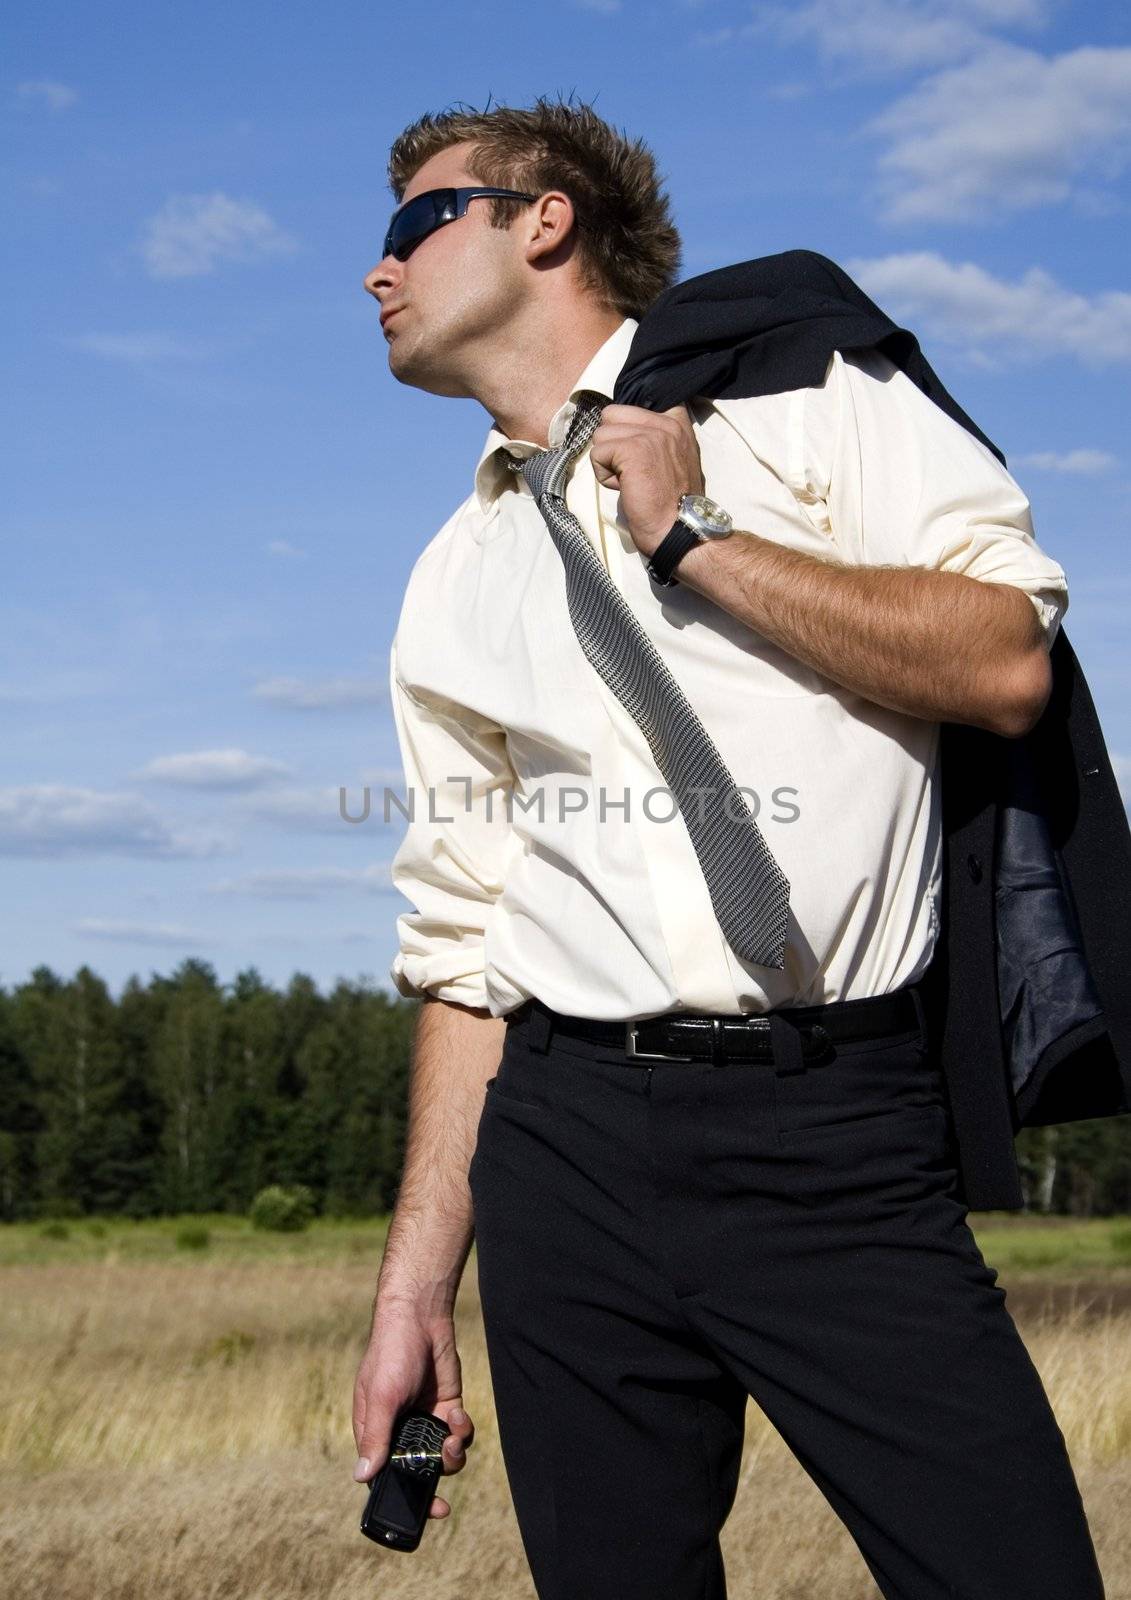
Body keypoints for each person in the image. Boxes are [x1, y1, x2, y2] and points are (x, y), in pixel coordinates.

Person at [352, 96, 1106, 1599]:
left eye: (409, 227)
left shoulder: (806, 387)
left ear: (542, 218)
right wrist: (416, 1284)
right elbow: (464, 947)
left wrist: (695, 542)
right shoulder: (453, 573)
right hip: (561, 1149)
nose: (373, 275)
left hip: (830, 1129)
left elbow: (1002, 658)